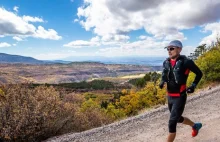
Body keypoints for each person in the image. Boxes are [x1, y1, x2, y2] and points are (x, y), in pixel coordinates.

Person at [159, 40, 203, 142]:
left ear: (179, 49)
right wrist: (162, 81)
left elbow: (199, 74)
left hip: (180, 97)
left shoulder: (186, 62)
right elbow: (165, 74)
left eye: (172, 48)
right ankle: (195, 125)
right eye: (168, 49)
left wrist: (193, 86)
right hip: (170, 96)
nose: (169, 51)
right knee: (177, 119)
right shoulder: (166, 62)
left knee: (172, 122)